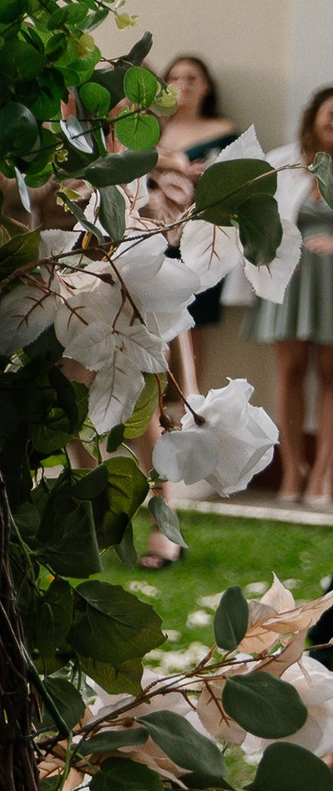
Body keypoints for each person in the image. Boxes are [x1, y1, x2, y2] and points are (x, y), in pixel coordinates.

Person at [249, 84, 333, 505]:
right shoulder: (283, 162)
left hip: (332, 284)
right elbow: (255, 215)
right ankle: (291, 472)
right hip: (292, 280)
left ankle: (323, 475)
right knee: (290, 372)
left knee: (332, 374)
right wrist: (277, 250)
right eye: (330, 111)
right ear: (314, 115)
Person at [160, 54, 240, 391]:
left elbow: (237, 182)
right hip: (155, 231)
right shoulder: (154, 129)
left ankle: (188, 401)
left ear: (206, 86)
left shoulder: (223, 130)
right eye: (175, 77)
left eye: (192, 78)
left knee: (193, 322)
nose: (183, 84)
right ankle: (156, 401)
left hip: (200, 233)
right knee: (157, 317)